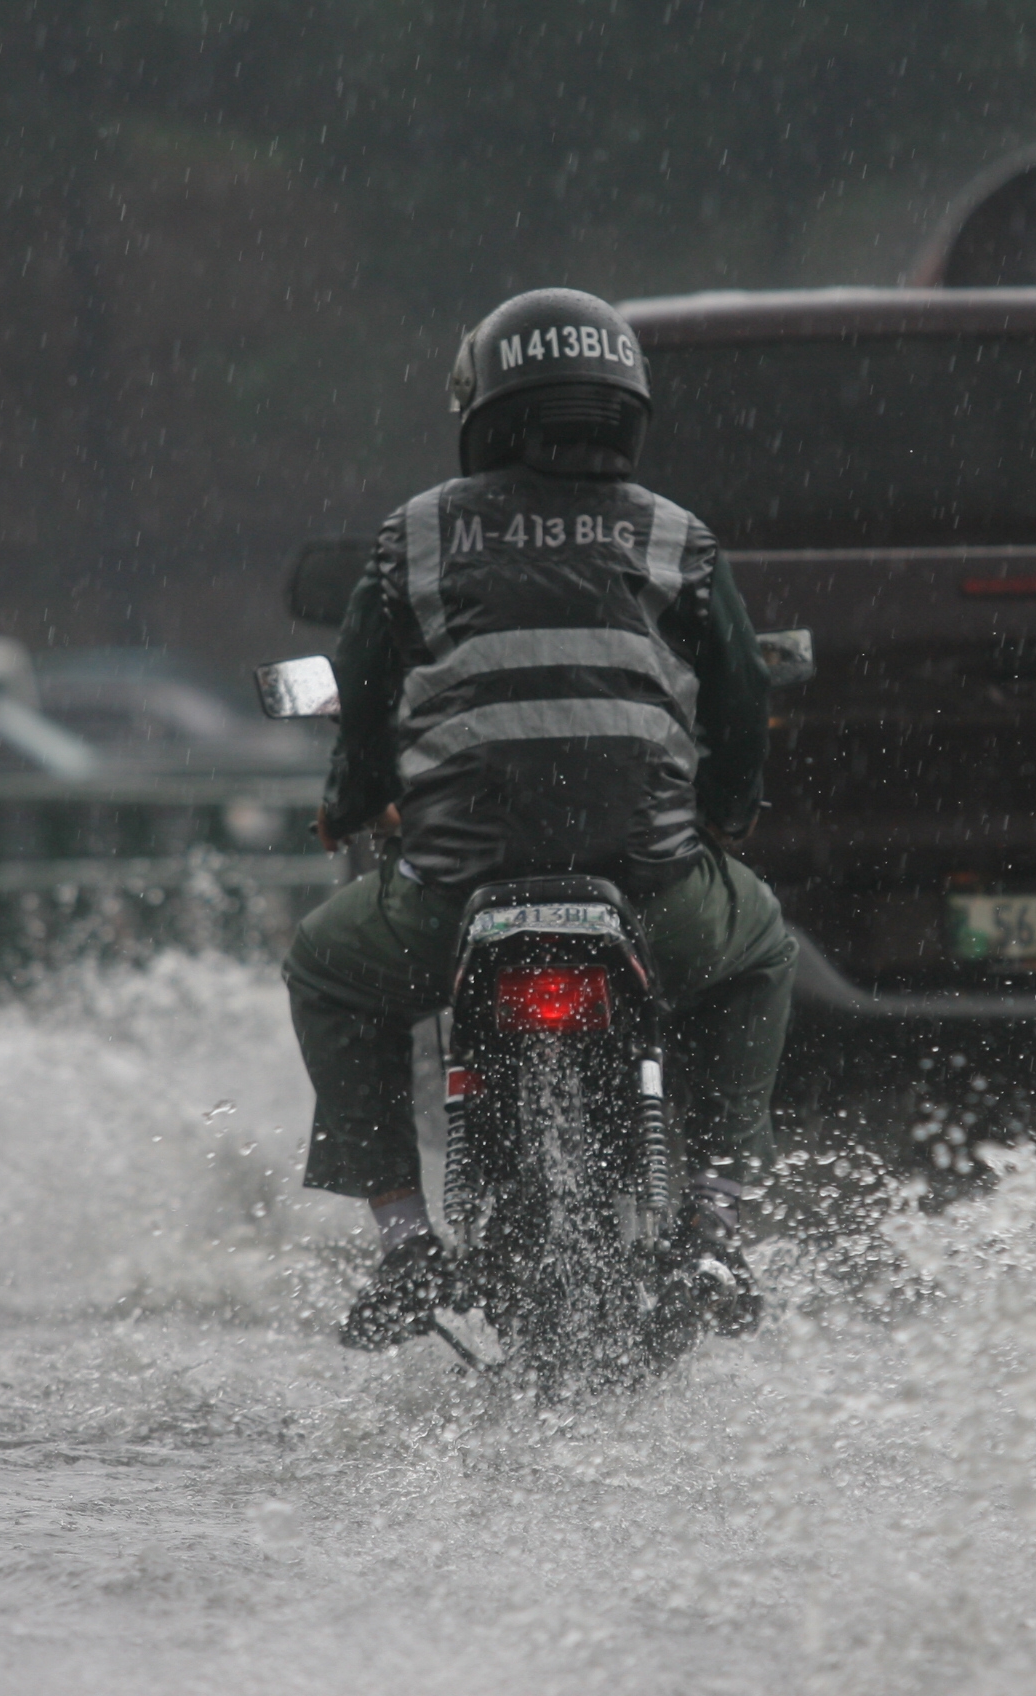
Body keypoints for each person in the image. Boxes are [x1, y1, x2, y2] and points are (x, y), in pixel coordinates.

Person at [283, 287, 797, 1352]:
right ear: (622, 404)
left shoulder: (417, 534)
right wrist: (726, 817)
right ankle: (714, 1224)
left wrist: (349, 803)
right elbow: (741, 691)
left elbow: (365, 694)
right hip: (654, 895)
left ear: (487, 407)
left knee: (324, 967)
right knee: (762, 955)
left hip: (452, 895)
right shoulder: (675, 535)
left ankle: (404, 1243)